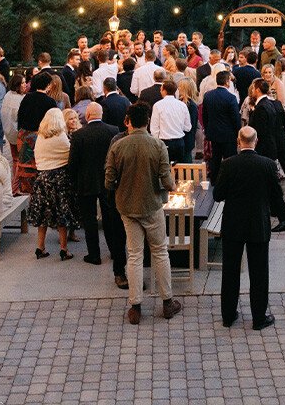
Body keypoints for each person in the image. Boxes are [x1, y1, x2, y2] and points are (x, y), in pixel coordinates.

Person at [104, 103, 183, 325]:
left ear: (128, 121)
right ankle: (167, 301)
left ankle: (135, 305)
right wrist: (170, 185)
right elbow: (167, 181)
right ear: (147, 121)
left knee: (135, 254)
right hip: (152, 205)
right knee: (160, 252)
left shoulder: (118, 147)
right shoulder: (158, 145)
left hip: (127, 207)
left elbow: (109, 181)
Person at [212, 126, 282, 330]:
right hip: (258, 224)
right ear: (256, 140)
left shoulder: (229, 164)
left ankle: (228, 315)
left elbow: (218, 195)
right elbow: (276, 196)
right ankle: (259, 318)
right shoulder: (268, 165)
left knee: (230, 272)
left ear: (238, 141)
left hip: (233, 224)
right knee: (259, 273)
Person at [68, 101, 127, 282]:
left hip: (86, 182)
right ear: (101, 114)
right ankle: (113, 250)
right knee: (110, 219)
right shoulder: (113, 131)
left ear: (87, 116)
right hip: (107, 182)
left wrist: (74, 180)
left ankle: (94, 254)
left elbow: (73, 163)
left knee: (90, 219)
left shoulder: (78, 135)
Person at [249, 79, 285, 213]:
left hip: (268, 144)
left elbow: (259, 130)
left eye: (253, 89)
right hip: (281, 141)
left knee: (270, 174)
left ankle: (274, 207)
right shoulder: (276, 104)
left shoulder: (260, 107)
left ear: (258, 90)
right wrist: (282, 136)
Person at [27, 108, 76, 260]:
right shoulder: (62, 137)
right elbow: (70, 156)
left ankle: (40, 247)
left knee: (43, 215)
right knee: (61, 215)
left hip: (42, 178)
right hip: (59, 178)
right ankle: (63, 248)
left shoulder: (40, 138)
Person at [202, 70, 242, 182]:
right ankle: (231, 180)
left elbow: (205, 115)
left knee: (215, 158)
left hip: (213, 133)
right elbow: (235, 118)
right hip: (228, 135)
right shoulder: (231, 98)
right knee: (230, 159)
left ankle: (214, 180)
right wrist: (238, 132)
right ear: (227, 82)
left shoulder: (208, 96)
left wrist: (207, 129)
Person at [151, 79, 192, 165]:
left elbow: (154, 128)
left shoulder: (158, 105)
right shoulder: (182, 105)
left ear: (164, 90)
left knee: (164, 169)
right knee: (180, 171)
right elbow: (188, 127)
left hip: (164, 142)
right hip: (179, 142)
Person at [1, 73, 27, 162]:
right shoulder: (18, 98)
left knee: (14, 156)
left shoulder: (8, 94)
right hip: (17, 130)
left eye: (25, 82)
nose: (25, 85)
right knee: (20, 157)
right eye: (23, 83)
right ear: (17, 85)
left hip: (8, 130)